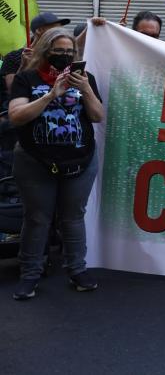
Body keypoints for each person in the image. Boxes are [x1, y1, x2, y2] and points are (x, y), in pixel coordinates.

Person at [8, 28, 104, 300]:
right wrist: (51, 94)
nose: (64, 56)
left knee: (73, 217)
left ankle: (77, 270)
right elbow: (17, 116)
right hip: (35, 162)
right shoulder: (27, 79)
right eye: (58, 51)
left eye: (69, 52)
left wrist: (85, 88)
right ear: (45, 51)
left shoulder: (86, 79)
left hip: (80, 162)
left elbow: (97, 116)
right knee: (37, 219)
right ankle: (30, 275)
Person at [1, 12, 71, 96]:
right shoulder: (14, 56)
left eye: (60, 29)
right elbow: (12, 90)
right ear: (39, 30)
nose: (60, 32)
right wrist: (24, 66)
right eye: (55, 29)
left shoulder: (60, 56)